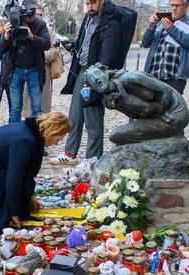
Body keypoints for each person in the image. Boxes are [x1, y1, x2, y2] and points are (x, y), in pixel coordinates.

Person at [50, 0, 132, 165]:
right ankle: (70, 154)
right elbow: (84, 44)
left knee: (93, 119)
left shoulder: (112, 23)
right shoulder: (88, 18)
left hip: (96, 76)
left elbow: (108, 56)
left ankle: (92, 159)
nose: (90, 7)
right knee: (74, 116)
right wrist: (72, 45)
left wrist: (95, 78)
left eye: (93, 3)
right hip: (81, 72)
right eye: (87, 3)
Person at [0, 112, 72, 231]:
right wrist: (13, 213)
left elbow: (25, 173)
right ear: (51, 132)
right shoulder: (26, 141)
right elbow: (15, 179)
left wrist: (30, 196)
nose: (56, 143)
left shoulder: (31, 131)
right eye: (58, 139)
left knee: (20, 191)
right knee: (15, 188)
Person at [0, 0, 51, 124]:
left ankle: (35, 139)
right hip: (16, 70)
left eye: (33, 13)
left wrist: (32, 36)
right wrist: (6, 36)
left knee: (37, 110)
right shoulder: (14, 21)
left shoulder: (40, 24)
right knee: (15, 109)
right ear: (23, 11)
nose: (32, 16)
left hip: (34, 70)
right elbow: (2, 50)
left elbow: (46, 44)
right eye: (29, 13)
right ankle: (14, 137)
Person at [141, 0, 189, 95]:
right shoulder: (161, 20)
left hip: (175, 76)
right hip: (154, 73)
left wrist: (171, 29)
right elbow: (145, 44)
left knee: (169, 107)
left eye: (178, 5)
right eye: (172, 5)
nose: (174, 8)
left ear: (186, 6)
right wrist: (151, 26)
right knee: (151, 107)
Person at [22, 4, 62, 118]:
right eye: (36, 14)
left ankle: (43, 127)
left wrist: (38, 56)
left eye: (40, 14)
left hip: (43, 70)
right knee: (28, 103)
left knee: (43, 105)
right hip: (29, 69)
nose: (38, 16)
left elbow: (54, 51)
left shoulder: (48, 30)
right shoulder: (26, 28)